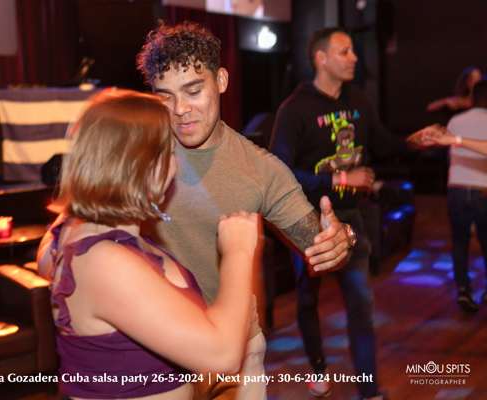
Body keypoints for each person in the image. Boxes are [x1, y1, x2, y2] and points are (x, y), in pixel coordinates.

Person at [136, 21, 354, 400]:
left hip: (236, 350)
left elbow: (319, 244)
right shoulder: (133, 156)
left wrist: (340, 241)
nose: (181, 110)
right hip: (154, 348)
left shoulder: (261, 169)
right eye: (165, 96)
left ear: (221, 81)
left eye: (193, 91)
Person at [37, 88, 262, 399]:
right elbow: (222, 356)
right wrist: (238, 250)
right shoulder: (104, 261)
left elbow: (47, 254)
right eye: (170, 152)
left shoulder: (70, 232)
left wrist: (103, 129)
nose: (175, 165)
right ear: (142, 165)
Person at [269, 27, 431, 399]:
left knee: (361, 304)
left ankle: (369, 391)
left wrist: (415, 141)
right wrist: (341, 178)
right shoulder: (295, 109)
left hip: (352, 218)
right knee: (307, 299)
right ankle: (318, 369)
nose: (354, 58)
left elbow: (383, 142)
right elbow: (279, 172)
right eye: (345, 51)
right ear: (321, 58)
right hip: (306, 222)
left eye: (353, 51)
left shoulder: (358, 100)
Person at [412, 79, 487, 312]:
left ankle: (463, 289)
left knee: (459, 241)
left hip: (457, 188)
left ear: (472, 97)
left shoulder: (456, 121)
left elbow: (448, 156)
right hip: (483, 190)